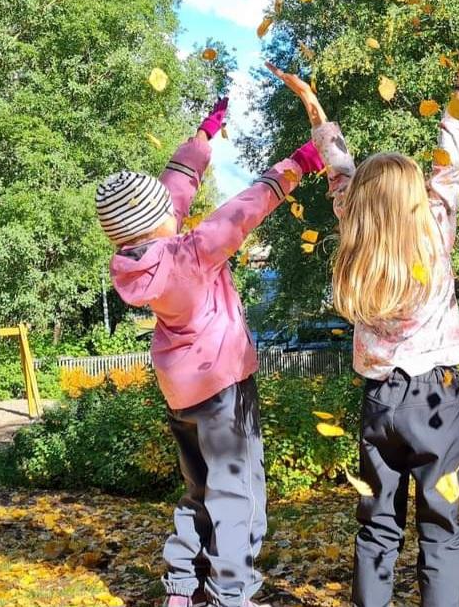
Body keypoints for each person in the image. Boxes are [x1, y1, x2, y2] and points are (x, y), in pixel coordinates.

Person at [266, 24, 459, 607]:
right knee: (441, 530)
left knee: (376, 528)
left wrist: (313, 104)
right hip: (437, 403)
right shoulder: (436, 234)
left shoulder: (356, 236)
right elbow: (451, 156)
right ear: (419, 199)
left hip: (379, 404)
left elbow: (338, 167)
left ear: (362, 205)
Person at [99, 95, 325, 607]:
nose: (175, 210)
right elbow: (241, 211)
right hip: (223, 389)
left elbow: (173, 192)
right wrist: (295, 166)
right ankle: (232, 593)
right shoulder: (189, 254)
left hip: (182, 393)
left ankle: (182, 587)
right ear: (159, 223)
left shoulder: (137, 260)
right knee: (237, 495)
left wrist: (202, 139)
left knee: (198, 490)